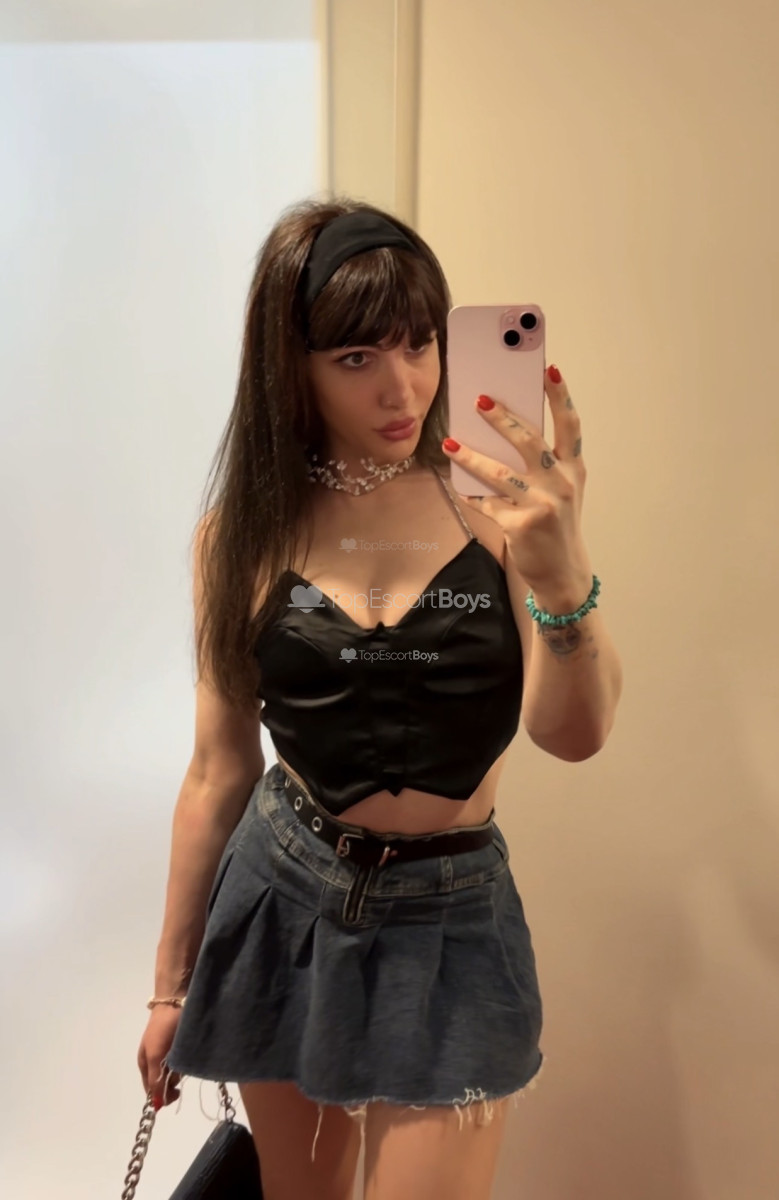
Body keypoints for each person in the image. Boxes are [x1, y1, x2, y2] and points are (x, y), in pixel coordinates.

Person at [136, 197, 622, 1200]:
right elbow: (219, 770)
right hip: (284, 896)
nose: (402, 388)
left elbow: (573, 736)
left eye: (417, 344)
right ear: (292, 368)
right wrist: (168, 987)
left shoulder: (500, 513)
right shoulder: (240, 536)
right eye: (355, 357)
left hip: (449, 919)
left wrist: (561, 574)